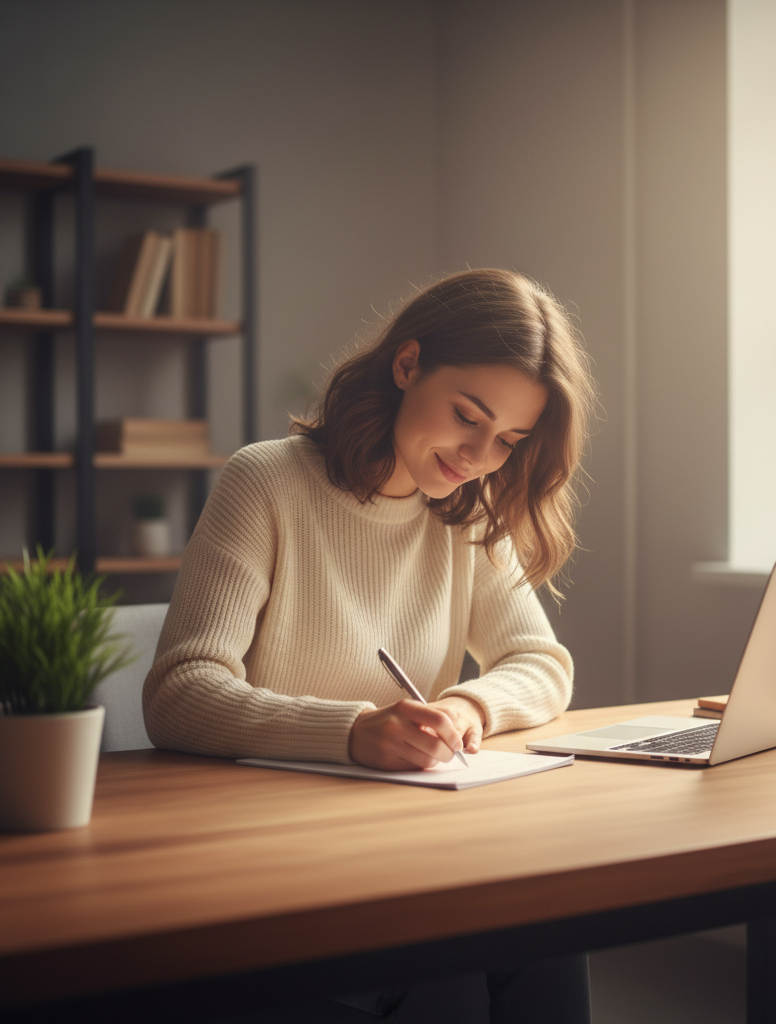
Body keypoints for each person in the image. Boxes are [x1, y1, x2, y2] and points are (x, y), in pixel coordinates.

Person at [142, 268, 597, 1023]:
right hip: (273, 849)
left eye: (507, 441)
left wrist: (467, 706)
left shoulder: (466, 512)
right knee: (446, 967)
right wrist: (351, 732)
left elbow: (540, 662)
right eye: (467, 416)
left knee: (552, 923)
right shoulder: (266, 483)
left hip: (403, 838)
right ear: (407, 364)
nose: (478, 456)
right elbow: (179, 690)